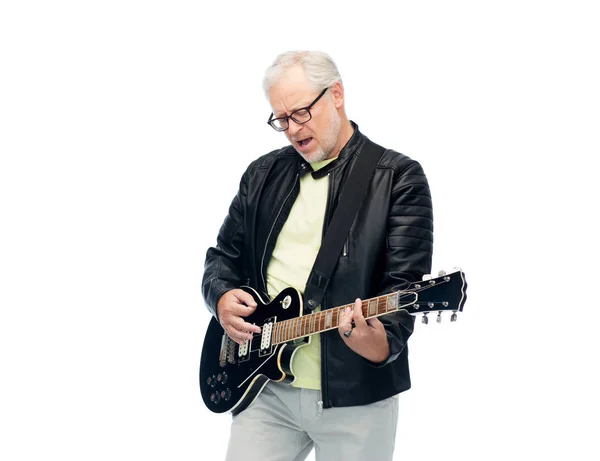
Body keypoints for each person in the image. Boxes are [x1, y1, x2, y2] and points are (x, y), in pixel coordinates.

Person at [202, 50, 433, 461]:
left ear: (337, 94)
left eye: (301, 113)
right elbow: (222, 258)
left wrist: (372, 338)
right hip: (264, 389)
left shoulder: (397, 178)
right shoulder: (261, 175)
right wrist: (220, 297)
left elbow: (402, 296)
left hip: (357, 398)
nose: (292, 129)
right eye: (281, 119)